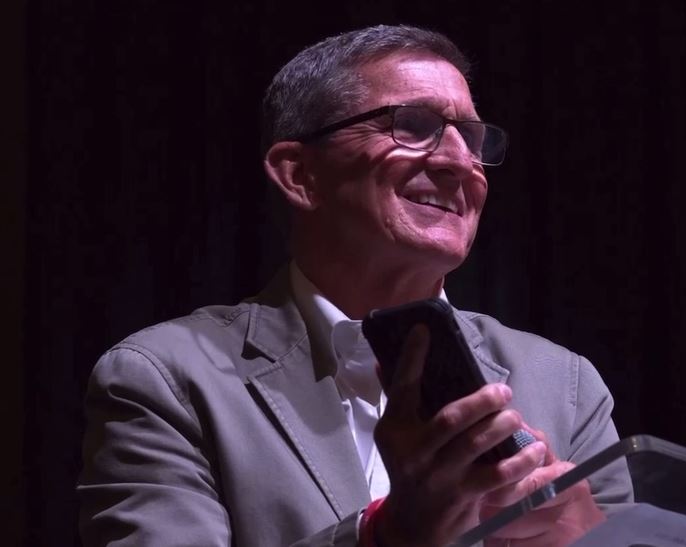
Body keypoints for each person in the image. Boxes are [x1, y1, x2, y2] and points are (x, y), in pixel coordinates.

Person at [78, 24, 632, 547]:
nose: (459, 162)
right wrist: (387, 535)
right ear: (299, 174)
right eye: (412, 126)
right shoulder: (167, 378)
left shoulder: (566, 386)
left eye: (471, 138)